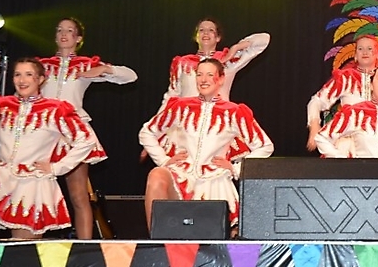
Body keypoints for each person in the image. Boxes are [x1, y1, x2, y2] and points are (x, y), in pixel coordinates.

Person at [0, 58, 97, 239]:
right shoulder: (2, 105)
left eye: (29, 75)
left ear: (40, 79)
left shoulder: (55, 109)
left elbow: (86, 140)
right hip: (3, 175)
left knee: (21, 247)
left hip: (31, 183)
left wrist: (56, 168)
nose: (22, 80)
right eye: (17, 75)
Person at [140, 57, 273, 232]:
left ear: (221, 79)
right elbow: (147, 132)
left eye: (210, 75)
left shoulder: (234, 112)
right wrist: (163, 160)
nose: (203, 79)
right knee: (156, 175)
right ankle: (157, 240)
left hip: (214, 182)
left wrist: (235, 168)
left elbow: (265, 146)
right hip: (181, 175)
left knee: (210, 237)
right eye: (199, 74)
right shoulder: (180, 107)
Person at [39, 17, 138, 239]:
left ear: (78, 38)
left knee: (78, 195)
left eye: (69, 31)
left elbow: (131, 76)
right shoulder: (42, 66)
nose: (64, 34)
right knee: (35, 192)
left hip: (72, 133)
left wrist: (104, 69)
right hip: (42, 131)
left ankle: (85, 247)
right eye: (60, 30)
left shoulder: (84, 65)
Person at [164, 18, 269, 103]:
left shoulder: (228, 60)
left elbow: (264, 39)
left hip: (219, 118)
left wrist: (236, 47)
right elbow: (172, 95)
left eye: (211, 30)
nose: (206, 33)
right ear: (196, 37)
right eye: (201, 30)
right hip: (188, 119)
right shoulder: (183, 63)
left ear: (218, 38)